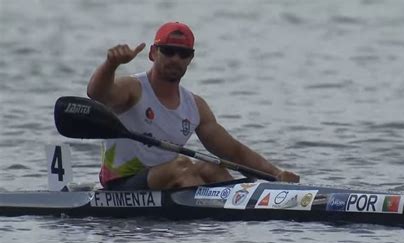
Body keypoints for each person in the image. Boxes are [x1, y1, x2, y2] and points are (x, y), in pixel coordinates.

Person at [87, 21, 300, 190]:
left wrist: (277, 175)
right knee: (182, 165)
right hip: (122, 184)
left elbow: (234, 152)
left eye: (183, 54)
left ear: (191, 58)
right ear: (153, 53)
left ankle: (231, 229)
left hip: (167, 181)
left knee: (212, 167)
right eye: (168, 51)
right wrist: (111, 65)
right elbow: (97, 93)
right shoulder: (132, 88)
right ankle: (211, 216)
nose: (175, 58)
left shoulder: (195, 106)